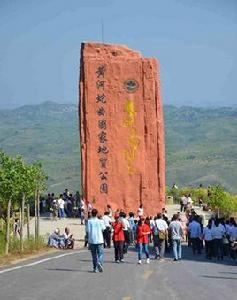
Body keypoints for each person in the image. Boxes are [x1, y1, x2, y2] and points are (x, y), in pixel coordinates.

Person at [87, 208, 105, 273]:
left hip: (92, 240)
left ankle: (95, 268)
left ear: (91, 214)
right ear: (97, 214)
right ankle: (99, 262)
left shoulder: (89, 221)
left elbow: (88, 231)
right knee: (100, 253)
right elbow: (103, 229)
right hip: (99, 239)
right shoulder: (100, 221)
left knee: (94, 254)